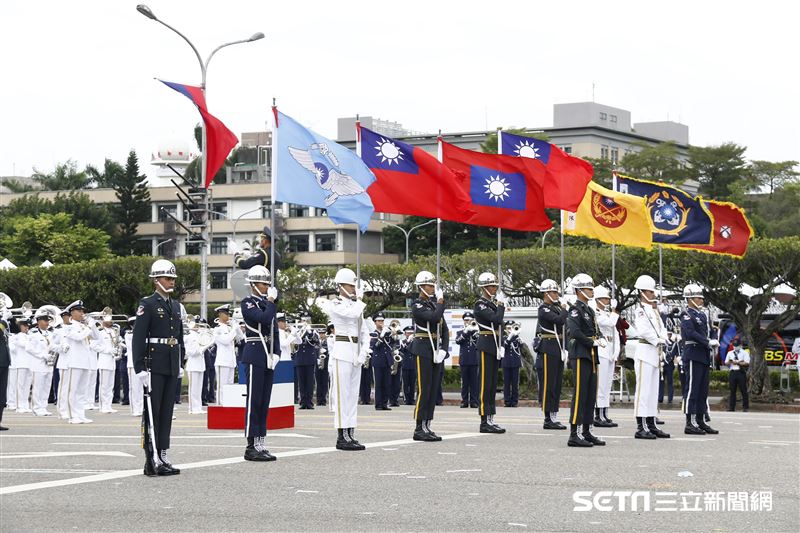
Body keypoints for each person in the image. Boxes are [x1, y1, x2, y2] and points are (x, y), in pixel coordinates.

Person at [132, 259, 185, 476]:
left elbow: (179, 336)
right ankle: (151, 459)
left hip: (171, 362)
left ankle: (163, 455)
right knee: (152, 413)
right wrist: (139, 367)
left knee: (166, 412)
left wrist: (181, 363)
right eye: (166, 278)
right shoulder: (148, 304)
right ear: (156, 281)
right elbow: (138, 338)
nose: (171, 282)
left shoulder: (175, 305)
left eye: (172, 278)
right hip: (154, 364)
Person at [326, 268, 370, 451]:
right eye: (350, 285)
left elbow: (365, 332)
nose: (353, 289)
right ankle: (341, 435)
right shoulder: (335, 304)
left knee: (352, 396)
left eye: (354, 285)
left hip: (355, 353)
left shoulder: (355, 306)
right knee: (342, 396)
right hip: (342, 352)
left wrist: (364, 352)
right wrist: (359, 301)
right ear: (340, 286)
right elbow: (350, 315)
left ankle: (351, 433)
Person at [240, 265, 280, 461]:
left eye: (267, 284)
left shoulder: (267, 303)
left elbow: (275, 330)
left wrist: (278, 353)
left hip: (268, 355)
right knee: (254, 400)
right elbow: (264, 319)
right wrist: (271, 301)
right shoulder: (248, 303)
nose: (266, 287)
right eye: (264, 284)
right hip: (255, 353)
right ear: (254, 284)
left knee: (264, 401)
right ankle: (250, 445)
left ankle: (261, 442)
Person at [565, 273, 605, 447]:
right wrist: (591, 341)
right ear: (579, 290)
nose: (591, 291)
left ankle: (587, 431)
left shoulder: (589, 309)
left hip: (592, 354)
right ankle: (574, 433)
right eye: (588, 288)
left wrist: (601, 338)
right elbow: (574, 332)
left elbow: (594, 329)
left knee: (590, 395)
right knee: (580, 394)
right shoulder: (575, 310)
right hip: (581, 353)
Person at [410, 270, 449, 441]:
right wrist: (440, 302)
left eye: (433, 285)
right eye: (429, 285)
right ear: (421, 287)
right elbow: (434, 318)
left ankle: (427, 425)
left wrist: (444, 350)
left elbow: (445, 330)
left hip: (435, 350)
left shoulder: (434, 305)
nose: (432, 288)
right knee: (424, 389)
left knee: (433, 390)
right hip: (423, 348)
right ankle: (419, 427)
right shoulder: (417, 305)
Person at [631, 275, 670, 440]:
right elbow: (644, 331)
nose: (653, 294)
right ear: (642, 292)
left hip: (655, 353)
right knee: (643, 392)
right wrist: (658, 340)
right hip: (645, 352)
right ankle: (641, 426)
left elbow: (661, 329)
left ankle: (651, 423)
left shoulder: (654, 310)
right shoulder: (640, 310)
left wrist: (665, 338)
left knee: (653, 392)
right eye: (649, 291)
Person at [680, 284, 719, 435]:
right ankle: (690, 422)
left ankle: (701, 420)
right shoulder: (686, 314)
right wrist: (707, 341)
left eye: (701, 298)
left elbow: (712, 330)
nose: (701, 300)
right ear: (689, 299)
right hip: (693, 353)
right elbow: (690, 333)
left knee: (703, 390)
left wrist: (713, 339)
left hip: (703, 355)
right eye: (698, 298)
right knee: (692, 390)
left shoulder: (703, 315)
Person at [474, 272, 507, 434]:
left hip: (494, 345)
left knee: (492, 384)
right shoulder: (480, 304)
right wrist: (501, 305)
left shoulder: (491, 304)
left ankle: (490, 419)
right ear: (485, 288)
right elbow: (496, 319)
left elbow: (500, 321)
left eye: (495, 286)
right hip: (486, 345)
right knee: (485, 384)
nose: (495, 289)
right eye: (492, 286)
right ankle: (484, 420)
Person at [536, 279, 567, 430]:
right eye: (554, 292)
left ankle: (554, 415)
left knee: (556, 384)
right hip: (548, 347)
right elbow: (560, 320)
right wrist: (565, 309)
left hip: (558, 347)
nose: (556, 295)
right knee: (549, 384)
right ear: (546, 293)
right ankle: (548, 418)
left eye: (556, 292)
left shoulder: (555, 308)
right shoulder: (544, 309)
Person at [63, 302, 98, 424]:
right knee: (73, 390)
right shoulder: (68, 325)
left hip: (85, 361)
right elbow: (78, 337)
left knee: (82, 391)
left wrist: (93, 326)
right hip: (74, 361)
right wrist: (88, 327)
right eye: (80, 311)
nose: (82, 313)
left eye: (83, 311)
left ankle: (80, 414)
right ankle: (72, 416)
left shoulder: (84, 326)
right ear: (72, 312)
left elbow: (96, 337)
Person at [593, 286, 619, 428]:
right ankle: (598, 415)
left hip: (610, 350)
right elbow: (610, 323)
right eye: (604, 299)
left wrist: (616, 350)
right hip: (601, 351)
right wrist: (614, 312)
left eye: (608, 299)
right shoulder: (596, 313)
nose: (607, 301)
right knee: (601, 386)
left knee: (608, 385)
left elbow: (615, 334)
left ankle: (605, 414)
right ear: (597, 300)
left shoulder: (608, 314)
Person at [26, 309, 56, 416]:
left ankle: (43, 407)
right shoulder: (33, 333)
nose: (47, 322)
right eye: (44, 320)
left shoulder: (50, 334)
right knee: (38, 387)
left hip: (49, 364)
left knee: (46, 387)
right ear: (38, 321)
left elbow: (52, 346)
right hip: (38, 365)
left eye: (48, 320)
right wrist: (43, 355)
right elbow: (29, 348)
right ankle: (36, 408)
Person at [213, 305, 242, 405]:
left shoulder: (229, 327)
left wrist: (237, 327)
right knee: (222, 386)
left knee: (229, 385)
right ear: (220, 314)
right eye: (226, 314)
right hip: (222, 361)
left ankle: (228, 405)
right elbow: (226, 341)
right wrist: (234, 329)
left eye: (229, 314)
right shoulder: (217, 329)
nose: (228, 316)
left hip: (230, 361)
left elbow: (241, 338)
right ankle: (220, 405)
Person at [92, 312, 120, 414]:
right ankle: (103, 406)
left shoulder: (113, 331)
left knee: (110, 385)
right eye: (108, 319)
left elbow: (116, 342)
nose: (111, 321)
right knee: (104, 385)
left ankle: (108, 405)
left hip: (112, 361)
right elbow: (94, 346)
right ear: (103, 320)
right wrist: (108, 350)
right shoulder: (99, 332)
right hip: (104, 361)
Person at [294, 316, 321, 410]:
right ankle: (302, 402)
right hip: (300, 359)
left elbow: (317, 342)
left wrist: (310, 333)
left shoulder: (313, 331)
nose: (305, 322)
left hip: (309, 359)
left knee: (309, 382)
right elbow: (294, 343)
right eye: (303, 320)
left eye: (307, 320)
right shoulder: (297, 331)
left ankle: (309, 402)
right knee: (301, 382)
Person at [370, 314, 393, 411]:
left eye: (382, 321)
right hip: (378, 361)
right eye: (379, 321)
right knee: (379, 383)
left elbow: (392, 344)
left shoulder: (387, 333)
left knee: (387, 383)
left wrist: (392, 335)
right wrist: (382, 335)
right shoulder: (373, 334)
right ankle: (378, 404)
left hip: (386, 360)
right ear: (375, 322)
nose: (381, 323)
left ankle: (384, 403)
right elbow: (375, 346)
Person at [456, 312, 479, 408]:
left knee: (474, 382)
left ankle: (474, 401)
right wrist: (466, 332)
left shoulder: (477, 331)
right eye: (466, 320)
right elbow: (458, 341)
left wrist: (473, 332)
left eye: (469, 320)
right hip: (464, 360)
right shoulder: (460, 332)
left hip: (474, 360)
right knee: (464, 382)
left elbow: (478, 342)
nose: (468, 322)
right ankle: (464, 401)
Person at [184, 318, 206, 415]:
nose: (198, 327)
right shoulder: (190, 337)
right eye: (196, 326)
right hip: (193, 365)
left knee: (198, 388)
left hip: (200, 364)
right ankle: (192, 408)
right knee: (193, 389)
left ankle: (198, 407)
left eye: (199, 326)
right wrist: (201, 349)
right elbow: (189, 352)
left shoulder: (200, 336)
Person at [125, 316, 143, 417]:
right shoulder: (129, 335)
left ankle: (141, 408)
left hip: (142, 364)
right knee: (135, 388)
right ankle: (135, 409)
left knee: (141, 388)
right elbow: (134, 347)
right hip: (132, 364)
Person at [14, 318, 33, 414]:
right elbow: (24, 345)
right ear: (20, 326)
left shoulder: (29, 336)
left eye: (27, 326)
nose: (27, 328)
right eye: (25, 326)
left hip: (29, 364)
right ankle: (19, 406)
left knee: (27, 386)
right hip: (21, 363)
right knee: (20, 385)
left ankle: (25, 405)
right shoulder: (17, 336)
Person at [502, 321, 522, 407]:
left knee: (515, 383)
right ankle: (507, 401)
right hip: (506, 362)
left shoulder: (516, 337)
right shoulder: (503, 337)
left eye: (511, 328)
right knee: (506, 383)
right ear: (505, 329)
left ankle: (514, 401)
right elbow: (504, 346)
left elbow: (521, 347)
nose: (510, 329)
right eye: (508, 328)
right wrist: (510, 336)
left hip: (515, 363)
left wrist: (517, 337)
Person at [726, 338, 749, 412]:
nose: (735, 347)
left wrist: (738, 362)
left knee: (743, 390)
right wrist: (730, 362)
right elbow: (726, 362)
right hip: (733, 372)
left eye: (737, 345)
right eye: (734, 345)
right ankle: (731, 407)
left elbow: (747, 363)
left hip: (741, 372)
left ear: (740, 345)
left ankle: (745, 407)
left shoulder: (744, 353)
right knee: (732, 390)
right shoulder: (730, 353)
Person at [659, 332, 678, 404]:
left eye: (670, 334)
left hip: (670, 364)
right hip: (662, 364)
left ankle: (670, 398)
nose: (669, 336)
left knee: (670, 382)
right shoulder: (662, 342)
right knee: (661, 381)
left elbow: (676, 353)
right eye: (667, 334)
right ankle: (660, 398)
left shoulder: (674, 344)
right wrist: (660, 360)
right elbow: (659, 351)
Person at [398, 326, 416, 405]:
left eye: (411, 333)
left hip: (413, 364)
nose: (410, 334)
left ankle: (411, 399)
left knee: (412, 383)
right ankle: (406, 398)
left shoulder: (416, 342)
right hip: (405, 364)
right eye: (408, 333)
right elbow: (403, 349)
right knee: (405, 383)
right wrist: (408, 341)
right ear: (405, 334)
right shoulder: (403, 341)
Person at [315, 326, 331, 407]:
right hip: (318, 363)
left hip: (325, 362)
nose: (321, 335)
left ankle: (323, 400)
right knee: (318, 382)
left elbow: (330, 350)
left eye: (323, 333)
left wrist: (325, 352)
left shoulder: (328, 342)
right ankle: (318, 400)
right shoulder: (316, 341)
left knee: (324, 382)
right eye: (320, 333)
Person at [0, 309, 9, 430]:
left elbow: (18, 330)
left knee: (2, 396)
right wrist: (3, 320)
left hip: (4, 363)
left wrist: (9, 319)